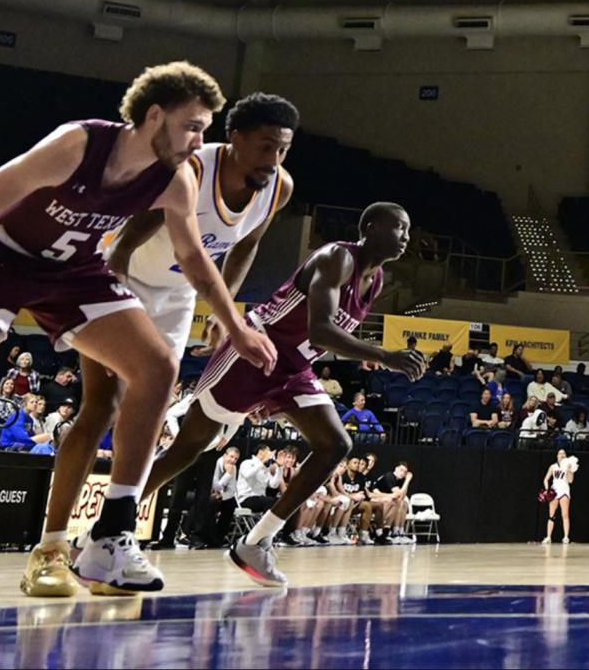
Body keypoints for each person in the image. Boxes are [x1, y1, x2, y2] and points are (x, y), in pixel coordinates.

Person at [0, 62, 277, 598]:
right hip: (2, 261)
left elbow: (194, 256)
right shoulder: (75, 145)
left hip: (75, 273)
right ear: (153, 116)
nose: (200, 140)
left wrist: (233, 322)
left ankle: (106, 541)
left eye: (206, 129)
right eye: (192, 126)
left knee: (158, 367)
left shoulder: (174, 177)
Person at [135, 202, 426, 588]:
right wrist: (384, 355)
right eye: (399, 227)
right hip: (255, 350)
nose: (406, 236)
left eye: (408, 230)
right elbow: (321, 330)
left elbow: (317, 342)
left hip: (294, 368)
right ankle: (110, 522)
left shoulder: (377, 280)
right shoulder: (338, 258)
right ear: (371, 227)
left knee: (335, 444)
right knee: (189, 448)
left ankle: (257, 541)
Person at [106, 91, 298, 367]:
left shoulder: (280, 187)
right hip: (129, 279)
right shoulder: (191, 171)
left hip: (179, 292)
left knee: (159, 385)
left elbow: (245, 246)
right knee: (110, 395)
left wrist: (224, 308)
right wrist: (115, 305)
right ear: (236, 137)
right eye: (265, 147)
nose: (273, 161)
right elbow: (124, 246)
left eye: (282, 150)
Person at [542, 449, 575, 544]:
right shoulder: (553, 466)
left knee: (565, 514)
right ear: (557, 456)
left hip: (564, 489)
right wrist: (547, 490)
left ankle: (566, 537)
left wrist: (569, 469)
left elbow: (570, 480)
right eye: (560, 453)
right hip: (555, 490)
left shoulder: (570, 467)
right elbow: (546, 479)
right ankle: (548, 536)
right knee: (551, 515)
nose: (562, 455)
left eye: (564, 453)